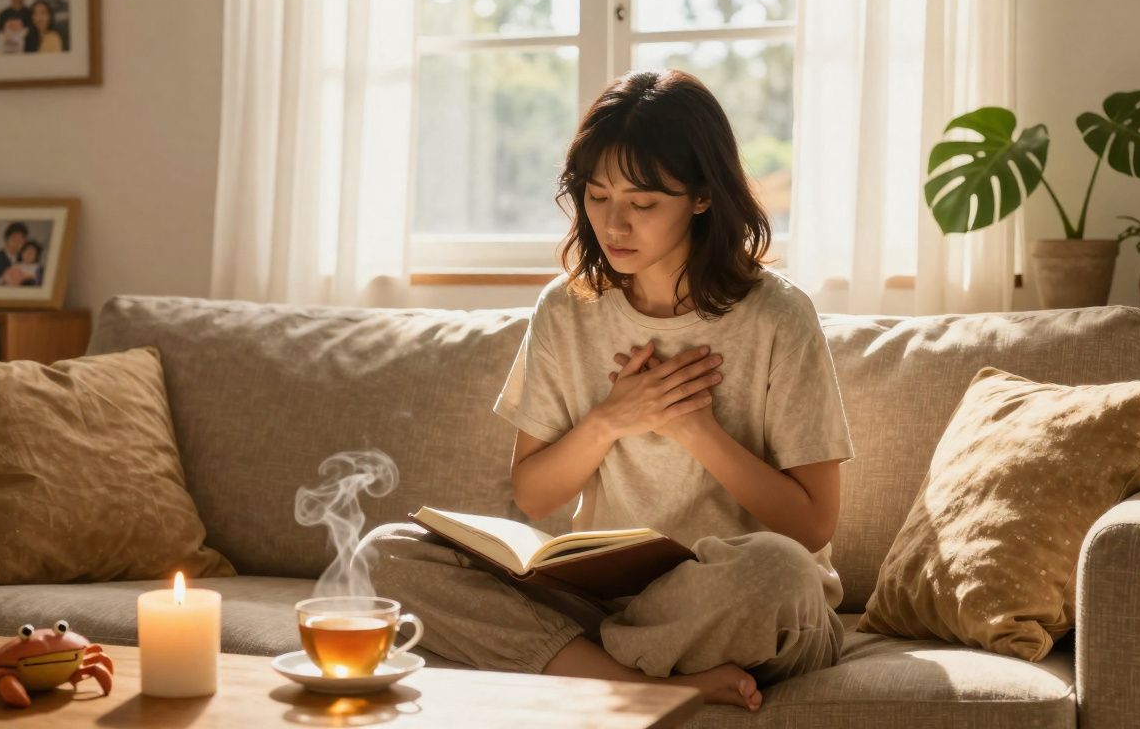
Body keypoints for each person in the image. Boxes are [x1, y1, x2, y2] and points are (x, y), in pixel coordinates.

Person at [362, 70, 854, 711]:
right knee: (386, 555)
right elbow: (535, 494)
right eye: (597, 197)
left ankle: (580, 667)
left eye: (642, 204)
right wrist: (610, 420)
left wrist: (692, 429)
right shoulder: (566, 309)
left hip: (737, 602)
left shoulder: (778, 316)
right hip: (604, 601)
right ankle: (640, 683)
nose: (613, 224)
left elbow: (812, 525)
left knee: (779, 572)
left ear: (702, 195)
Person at [0, 222, 31, 286]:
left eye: (20, 240)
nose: (17, 243)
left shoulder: (24, 259)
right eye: (14, 239)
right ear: (7, 239)